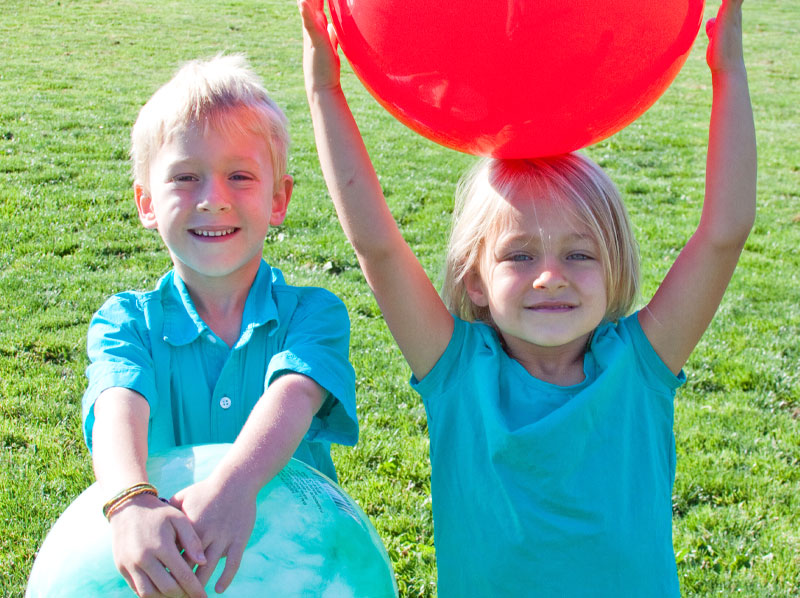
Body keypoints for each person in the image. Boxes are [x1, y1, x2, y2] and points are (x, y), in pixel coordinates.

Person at [298, 0, 755, 594]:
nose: (550, 277)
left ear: (615, 268)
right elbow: (375, 245)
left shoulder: (641, 365)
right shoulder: (457, 372)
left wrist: (728, 70)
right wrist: (323, 88)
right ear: (475, 282)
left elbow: (724, 234)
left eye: (579, 254)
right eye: (518, 255)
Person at [82, 54, 357, 598]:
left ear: (279, 199)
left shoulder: (314, 314)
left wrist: (236, 487)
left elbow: (294, 396)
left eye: (240, 175)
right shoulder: (125, 321)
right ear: (147, 203)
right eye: (186, 177)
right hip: (164, 568)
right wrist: (130, 501)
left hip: (292, 572)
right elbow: (117, 402)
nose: (213, 199)